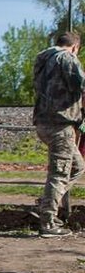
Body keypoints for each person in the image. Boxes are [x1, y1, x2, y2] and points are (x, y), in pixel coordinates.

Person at [32, 31, 85, 237]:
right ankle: (48, 222)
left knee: (77, 166)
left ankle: (47, 202)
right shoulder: (67, 58)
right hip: (60, 124)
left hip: (44, 122)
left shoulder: (43, 60)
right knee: (60, 173)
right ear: (75, 47)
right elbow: (82, 86)